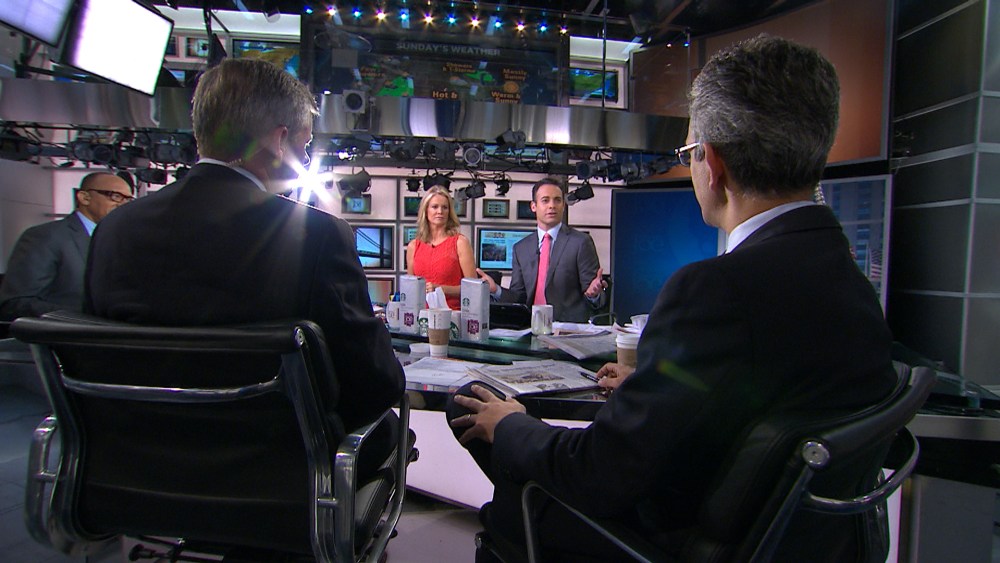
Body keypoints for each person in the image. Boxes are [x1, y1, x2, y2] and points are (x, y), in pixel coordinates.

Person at [449, 34, 898, 561]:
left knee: (480, 428)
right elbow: (767, 390)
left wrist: (511, 425)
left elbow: (599, 472)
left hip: (663, 540)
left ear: (713, 163)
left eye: (688, 154)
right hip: (790, 543)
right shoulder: (847, 277)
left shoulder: (714, 290)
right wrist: (656, 388)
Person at [83, 58, 404, 473]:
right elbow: (376, 383)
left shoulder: (114, 229)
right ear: (279, 139)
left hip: (133, 463)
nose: (305, 159)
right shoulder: (317, 236)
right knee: (389, 428)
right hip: (276, 474)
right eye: (305, 145)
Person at [0, 172, 133, 321]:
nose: (123, 204)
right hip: (67, 333)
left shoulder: (121, 240)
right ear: (84, 197)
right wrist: (86, 318)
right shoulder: (46, 236)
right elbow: (16, 303)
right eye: (115, 196)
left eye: (128, 200)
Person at [484, 177, 606, 322]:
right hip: (530, 327)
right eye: (545, 200)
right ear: (533, 206)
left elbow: (596, 298)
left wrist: (594, 294)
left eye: (557, 200)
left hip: (568, 330)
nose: (552, 206)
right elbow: (518, 298)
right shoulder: (521, 248)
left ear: (563, 205)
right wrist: (496, 290)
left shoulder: (580, 243)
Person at [406, 186, 478, 310]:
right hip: (421, 316)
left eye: (445, 207)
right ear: (426, 210)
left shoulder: (460, 243)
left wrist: (441, 289)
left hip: (452, 316)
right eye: (435, 207)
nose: (440, 211)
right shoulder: (414, 246)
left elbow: (474, 288)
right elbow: (410, 288)